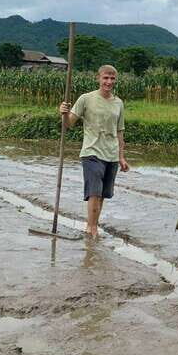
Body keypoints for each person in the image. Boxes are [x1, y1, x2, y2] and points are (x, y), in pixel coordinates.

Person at [59, 64, 129, 236]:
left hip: (111, 154)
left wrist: (121, 157)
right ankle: (91, 229)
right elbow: (69, 124)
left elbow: (119, 131)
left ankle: (94, 225)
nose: (109, 81)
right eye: (105, 77)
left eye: (112, 78)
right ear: (98, 78)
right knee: (94, 192)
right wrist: (63, 113)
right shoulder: (86, 98)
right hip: (91, 152)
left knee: (103, 194)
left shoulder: (118, 103)